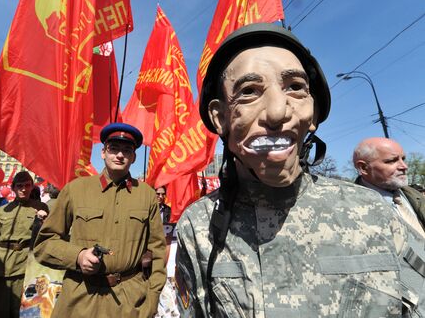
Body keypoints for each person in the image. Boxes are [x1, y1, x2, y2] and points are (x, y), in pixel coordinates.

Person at [175, 23, 425, 317]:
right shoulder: (200, 226)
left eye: (295, 87)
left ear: (314, 113)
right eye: (249, 91)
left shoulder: (372, 211)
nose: (278, 112)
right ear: (220, 118)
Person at [34, 123, 166, 317]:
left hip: (129, 302)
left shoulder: (147, 195)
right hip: (80, 298)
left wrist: (152, 300)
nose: (120, 155)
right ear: (103, 152)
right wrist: (77, 256)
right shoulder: (76, 189)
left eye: (127, 150)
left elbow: (157, 252)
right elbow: (44, 244)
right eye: (114, 149)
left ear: (134, 157)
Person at [0, 171, 49, 318]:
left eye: (27, 185)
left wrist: (44, 221)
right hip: (1, 267)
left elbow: (47, 238)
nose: (23, 189)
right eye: (20, 185)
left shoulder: (41, 208)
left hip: (25, 267)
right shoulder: (2, 211)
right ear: (13, 187)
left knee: (23, 311)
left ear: (31, 187)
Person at [353, 137, 425, 237]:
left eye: (403, 159)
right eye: (392, 161)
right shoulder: (351, 210)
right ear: (364, 167)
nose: (404, 166)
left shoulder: (414, 194)